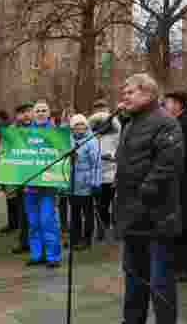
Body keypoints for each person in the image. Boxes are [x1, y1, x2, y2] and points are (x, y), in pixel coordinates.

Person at [100, 74, 185, 324]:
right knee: (134, 275)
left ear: (148, 93)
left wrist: (141, 197)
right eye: (123, 92)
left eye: (130, 92)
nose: (124, 97)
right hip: (131, 215)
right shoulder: (131, 122)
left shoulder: (165, 123)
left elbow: (166, 168)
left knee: (160, 280)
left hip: (157, 215)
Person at [164, 91, 187, 281]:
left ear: (179, 105)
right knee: (179, 225)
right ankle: (180, 265)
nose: (165, 106)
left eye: (168, 102)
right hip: (178, 182)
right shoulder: (176, 123)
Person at [23, 100, 61, 268]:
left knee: (48, 221)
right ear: (33, 113)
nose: (40, 113)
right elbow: (18, 157)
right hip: (29, 186)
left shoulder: (56, 133)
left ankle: (53, 256)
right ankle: (36, 254)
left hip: (48, 186)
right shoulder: (23, 133)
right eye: (37, 110)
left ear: (48, 113)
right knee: (33, 222)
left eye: (43, 110)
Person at [2, 103, 33, 258]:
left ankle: (37, 243)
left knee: (39, 213)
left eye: (28, 112)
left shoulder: (42, 129)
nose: (26, 115)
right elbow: (4, 154)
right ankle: (24, 242)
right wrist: (9, 182)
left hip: (38, 178)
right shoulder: (10, 132)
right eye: (22, 113)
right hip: (20, 179)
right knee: (23, 213)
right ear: (17, 116)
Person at [68, 114, 101, 250]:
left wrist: (95, 182)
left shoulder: (91, 141)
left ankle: (86, 239)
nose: (79, 128)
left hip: (87, 182)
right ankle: (75, 238)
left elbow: (96, 164)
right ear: (72, 128)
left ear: (86, 126)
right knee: (74, 213)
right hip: (72, 182)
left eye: (82, 125)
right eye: (76, 125)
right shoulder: (69, 141)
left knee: (87, 213)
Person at [89, 102, 119, 242]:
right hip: (97, 175)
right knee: (100, 204)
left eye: (103, 110)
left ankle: (115, 227)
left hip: (112, 173)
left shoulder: (116, 130)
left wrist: (112, 157)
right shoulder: (92, 133)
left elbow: (119, 148)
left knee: (113, 203)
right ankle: (102, 228)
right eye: (98, 110)